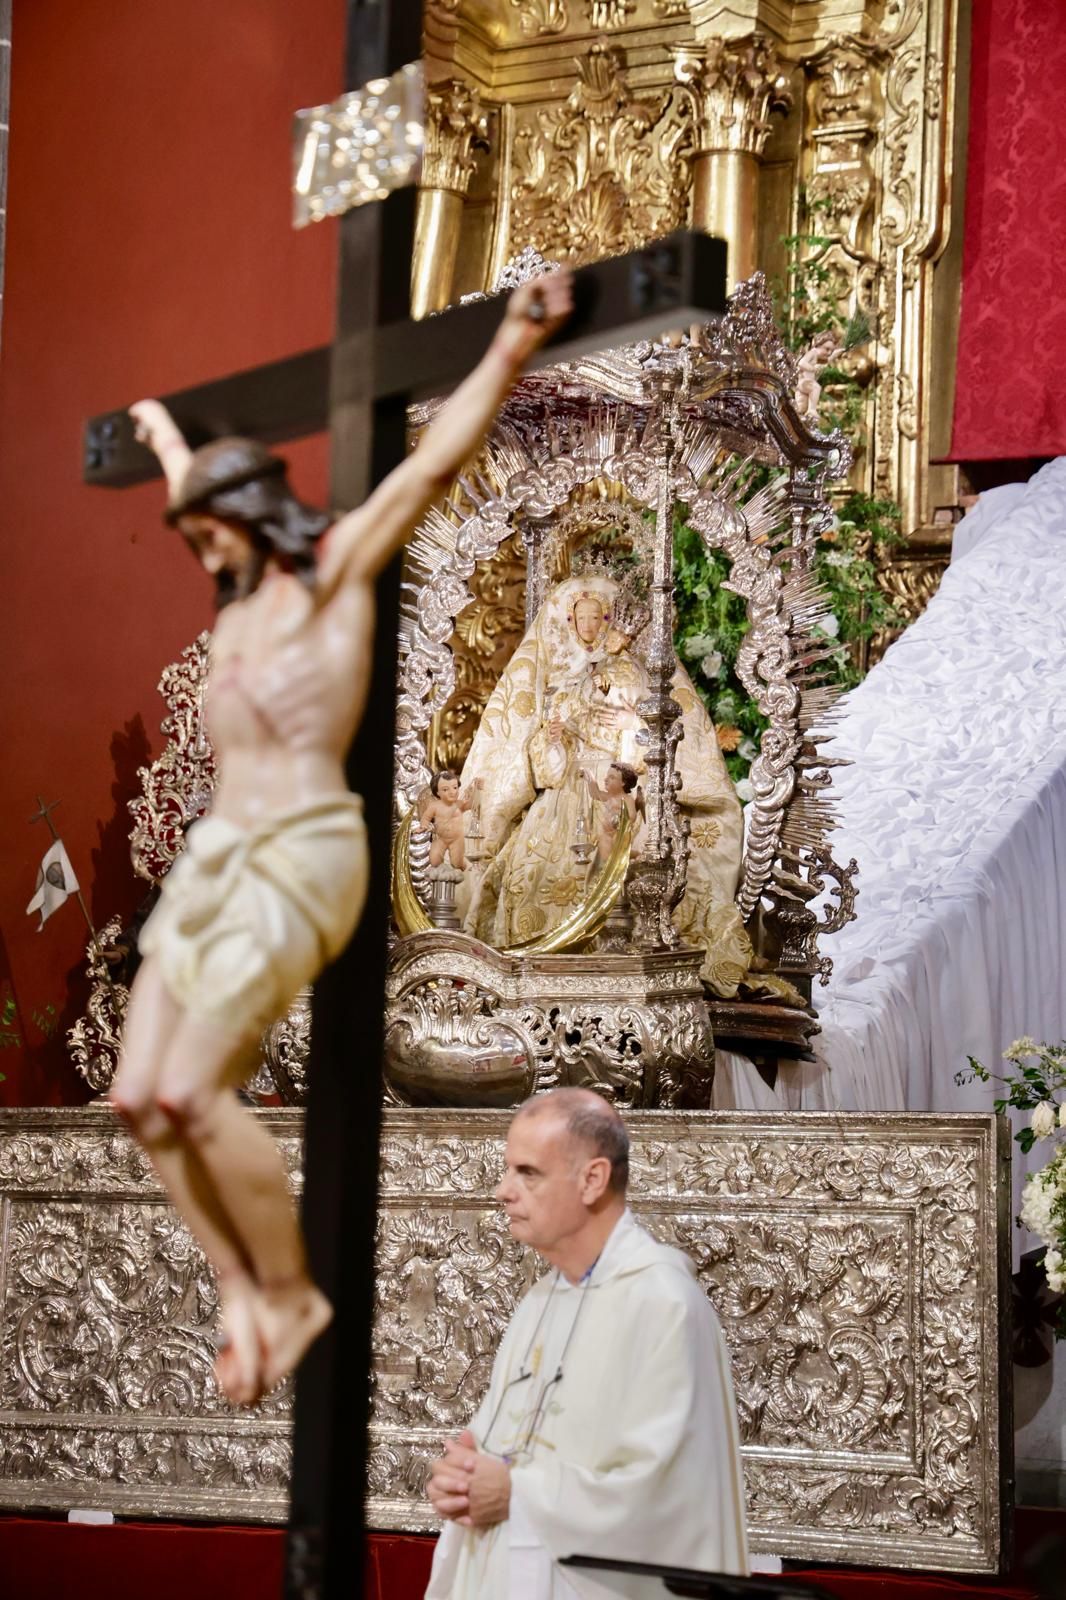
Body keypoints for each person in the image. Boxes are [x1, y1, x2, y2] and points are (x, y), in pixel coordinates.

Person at [108, 270, 574, 1407]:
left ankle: (289, 1289)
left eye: (212, 529)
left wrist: (510, 345)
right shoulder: (238, 604)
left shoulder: (330, 573)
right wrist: (167, 434)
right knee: (138, 1096)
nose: (203, 550)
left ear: (249, 519)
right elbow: (193, 484)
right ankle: (245, 1291)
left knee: (198, 1092)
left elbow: (427, 465)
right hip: (223, 855)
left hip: (300, 850)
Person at [425, 1087, 749, 1600]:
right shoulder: (541, 1300)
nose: (502, 1191)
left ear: (593, 1179)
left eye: (527, 1173)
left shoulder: (663, 1305)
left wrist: (516, 1495)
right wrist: (462, 1476)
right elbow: (498, 1447)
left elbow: (670, 1499)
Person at [420, 770, 480, 870]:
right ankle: (440, 874)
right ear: (437, 792)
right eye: (445, 789)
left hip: (457, 839)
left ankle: (466, 869)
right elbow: (426, 818)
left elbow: (472, 805)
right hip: (441, 838)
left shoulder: (459, 804)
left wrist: (475, 791)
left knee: (457, 862)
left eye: (455, 788)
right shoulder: (434, 806)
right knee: (434, 859)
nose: (452, 792)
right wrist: (424, 825)